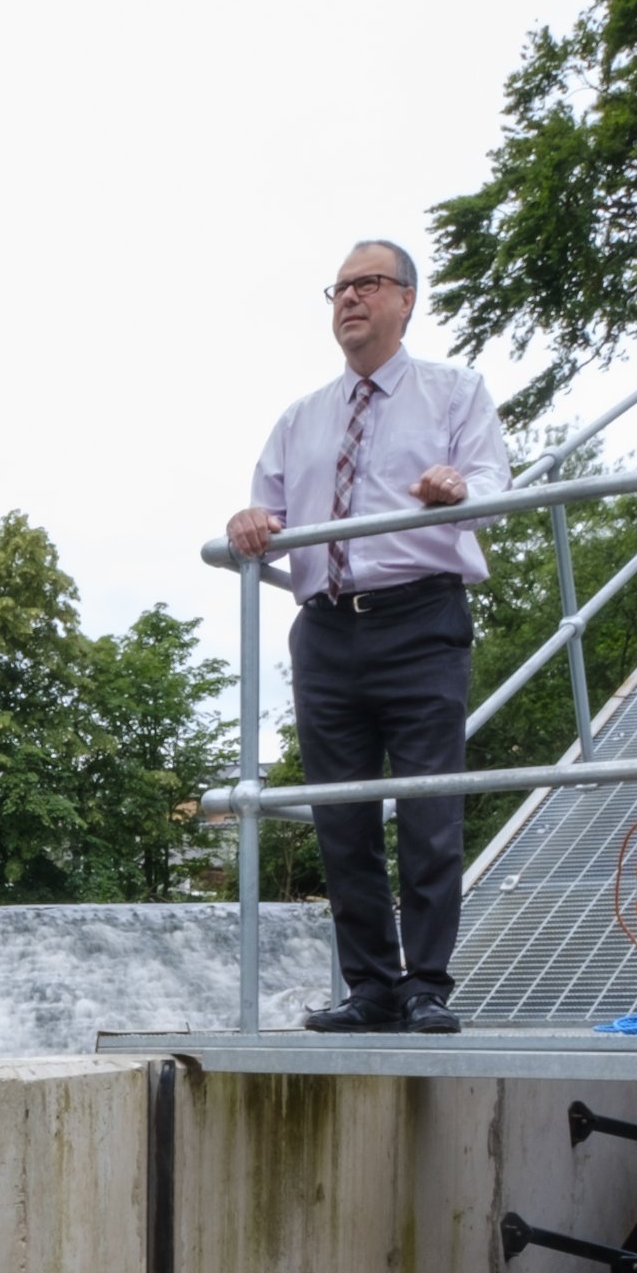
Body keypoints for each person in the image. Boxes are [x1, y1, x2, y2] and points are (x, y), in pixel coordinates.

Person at [229, 239, 511, 1033]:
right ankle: (370, 989)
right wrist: (249, 519)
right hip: (325, 633)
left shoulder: (454, 392)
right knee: (340, 821)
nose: (349, 298)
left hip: (421, 620)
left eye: (368, 284)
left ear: (407, 300)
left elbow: (492, 488)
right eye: (340, 288)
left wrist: (457, 489)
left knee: (428, 813)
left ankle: (426, 986)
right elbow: (265, 513)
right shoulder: (301, 417)